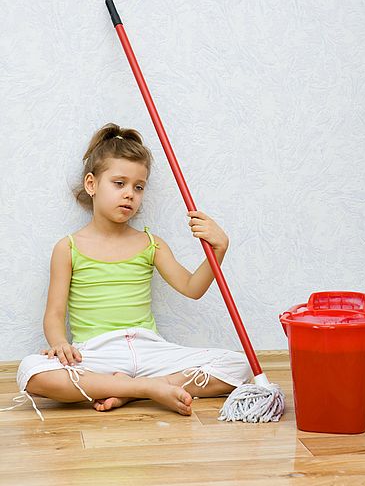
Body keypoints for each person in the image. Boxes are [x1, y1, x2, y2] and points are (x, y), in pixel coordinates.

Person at [1, 123, 252, 421]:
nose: (129, 194)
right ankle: (150, 389)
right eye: (119, 183)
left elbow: (192, 288)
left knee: (240, 365)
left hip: (150, 349)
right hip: (97, 353)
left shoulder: (151, 244)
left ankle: (129, 389)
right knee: (31, 372)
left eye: (138, 186)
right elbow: (54, 315)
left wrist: (219, 249)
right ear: (92, 184)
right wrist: (59, 344)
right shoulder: (67, 248)